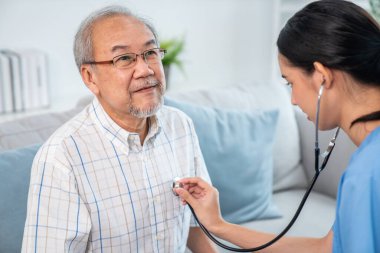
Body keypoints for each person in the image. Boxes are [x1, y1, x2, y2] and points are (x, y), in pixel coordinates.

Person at [175, 0, 380, 252]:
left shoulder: (366, 172)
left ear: (321, 76)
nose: (293, 100)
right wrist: (219, 226)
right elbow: (328, 247)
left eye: (290, 82)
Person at [22, 5, 217, 253]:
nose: (146, 69)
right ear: (90, 77)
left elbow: (195, 222)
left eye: (150, 52)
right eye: (124, 58)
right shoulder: (61, 159)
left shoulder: (180, 124)